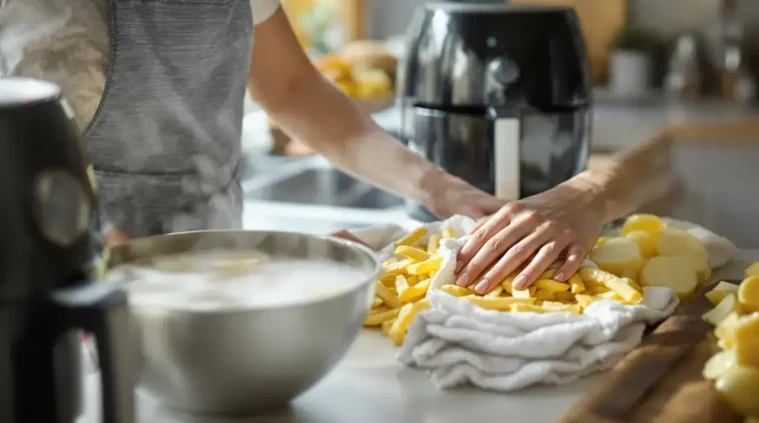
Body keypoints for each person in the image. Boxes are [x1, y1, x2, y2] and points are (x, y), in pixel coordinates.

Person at [0, 0, 597, 291]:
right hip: (65, 286)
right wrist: (126, 262)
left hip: (217, 268)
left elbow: (290, 88)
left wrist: (440, 187)